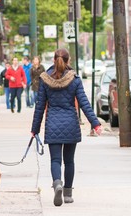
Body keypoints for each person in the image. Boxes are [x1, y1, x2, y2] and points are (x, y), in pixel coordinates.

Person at [31, 48, 102, 207]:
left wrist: (34, 129)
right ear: (68, 61)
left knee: (55, 160)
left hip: (53, 124)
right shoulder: (75, 79)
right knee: (69, 161)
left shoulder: (45, 79)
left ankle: (57, 183)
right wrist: (95, 123)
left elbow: (40, 107)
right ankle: (68, 193)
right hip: (70, 123)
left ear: (54, 60)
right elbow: (84, 103)